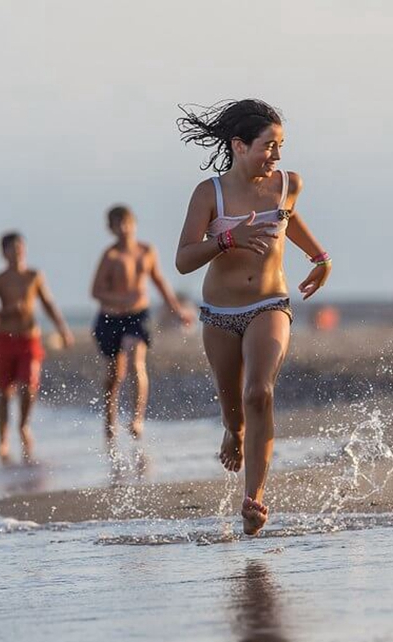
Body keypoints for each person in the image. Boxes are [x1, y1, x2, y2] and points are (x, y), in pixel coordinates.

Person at [175, 99, 332, 535]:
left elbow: (288, 218)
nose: (277, 156)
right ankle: (234, 432)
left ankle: (254, 498)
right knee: (235, 411)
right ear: (239, 146)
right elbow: (184, 260)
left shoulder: (288, 184)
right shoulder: (211, 193)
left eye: (281, 146)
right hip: (219, 314)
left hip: (270, 304)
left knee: (259, 392)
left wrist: (319, 257)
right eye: (269, 146)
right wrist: (227, 238)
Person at [91, 204, 193, 448]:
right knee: (115, 375)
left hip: (138, 316)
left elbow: (158, 280)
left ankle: (137, 419)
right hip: (110, 318)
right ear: (111, 229)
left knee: (136, 358)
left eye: (127, 223)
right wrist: (120, 299)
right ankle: (109, 418)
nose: (124, 229)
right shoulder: (110, 256)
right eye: (118, 225)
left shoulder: (147, 251)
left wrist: (177, 310)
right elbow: (96, 291)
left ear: (134, 224)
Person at [0, 232, 74, 464]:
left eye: (20, 247)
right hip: (4, 338)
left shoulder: (34, 276)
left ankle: (23, 425)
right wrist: (3, 314)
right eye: (12, 248)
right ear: (3, 252)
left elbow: (48, 303)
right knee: (3, 392)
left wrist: (63, 328)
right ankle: (3, 438)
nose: (17, 251)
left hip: (29, 338)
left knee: (29, 386)